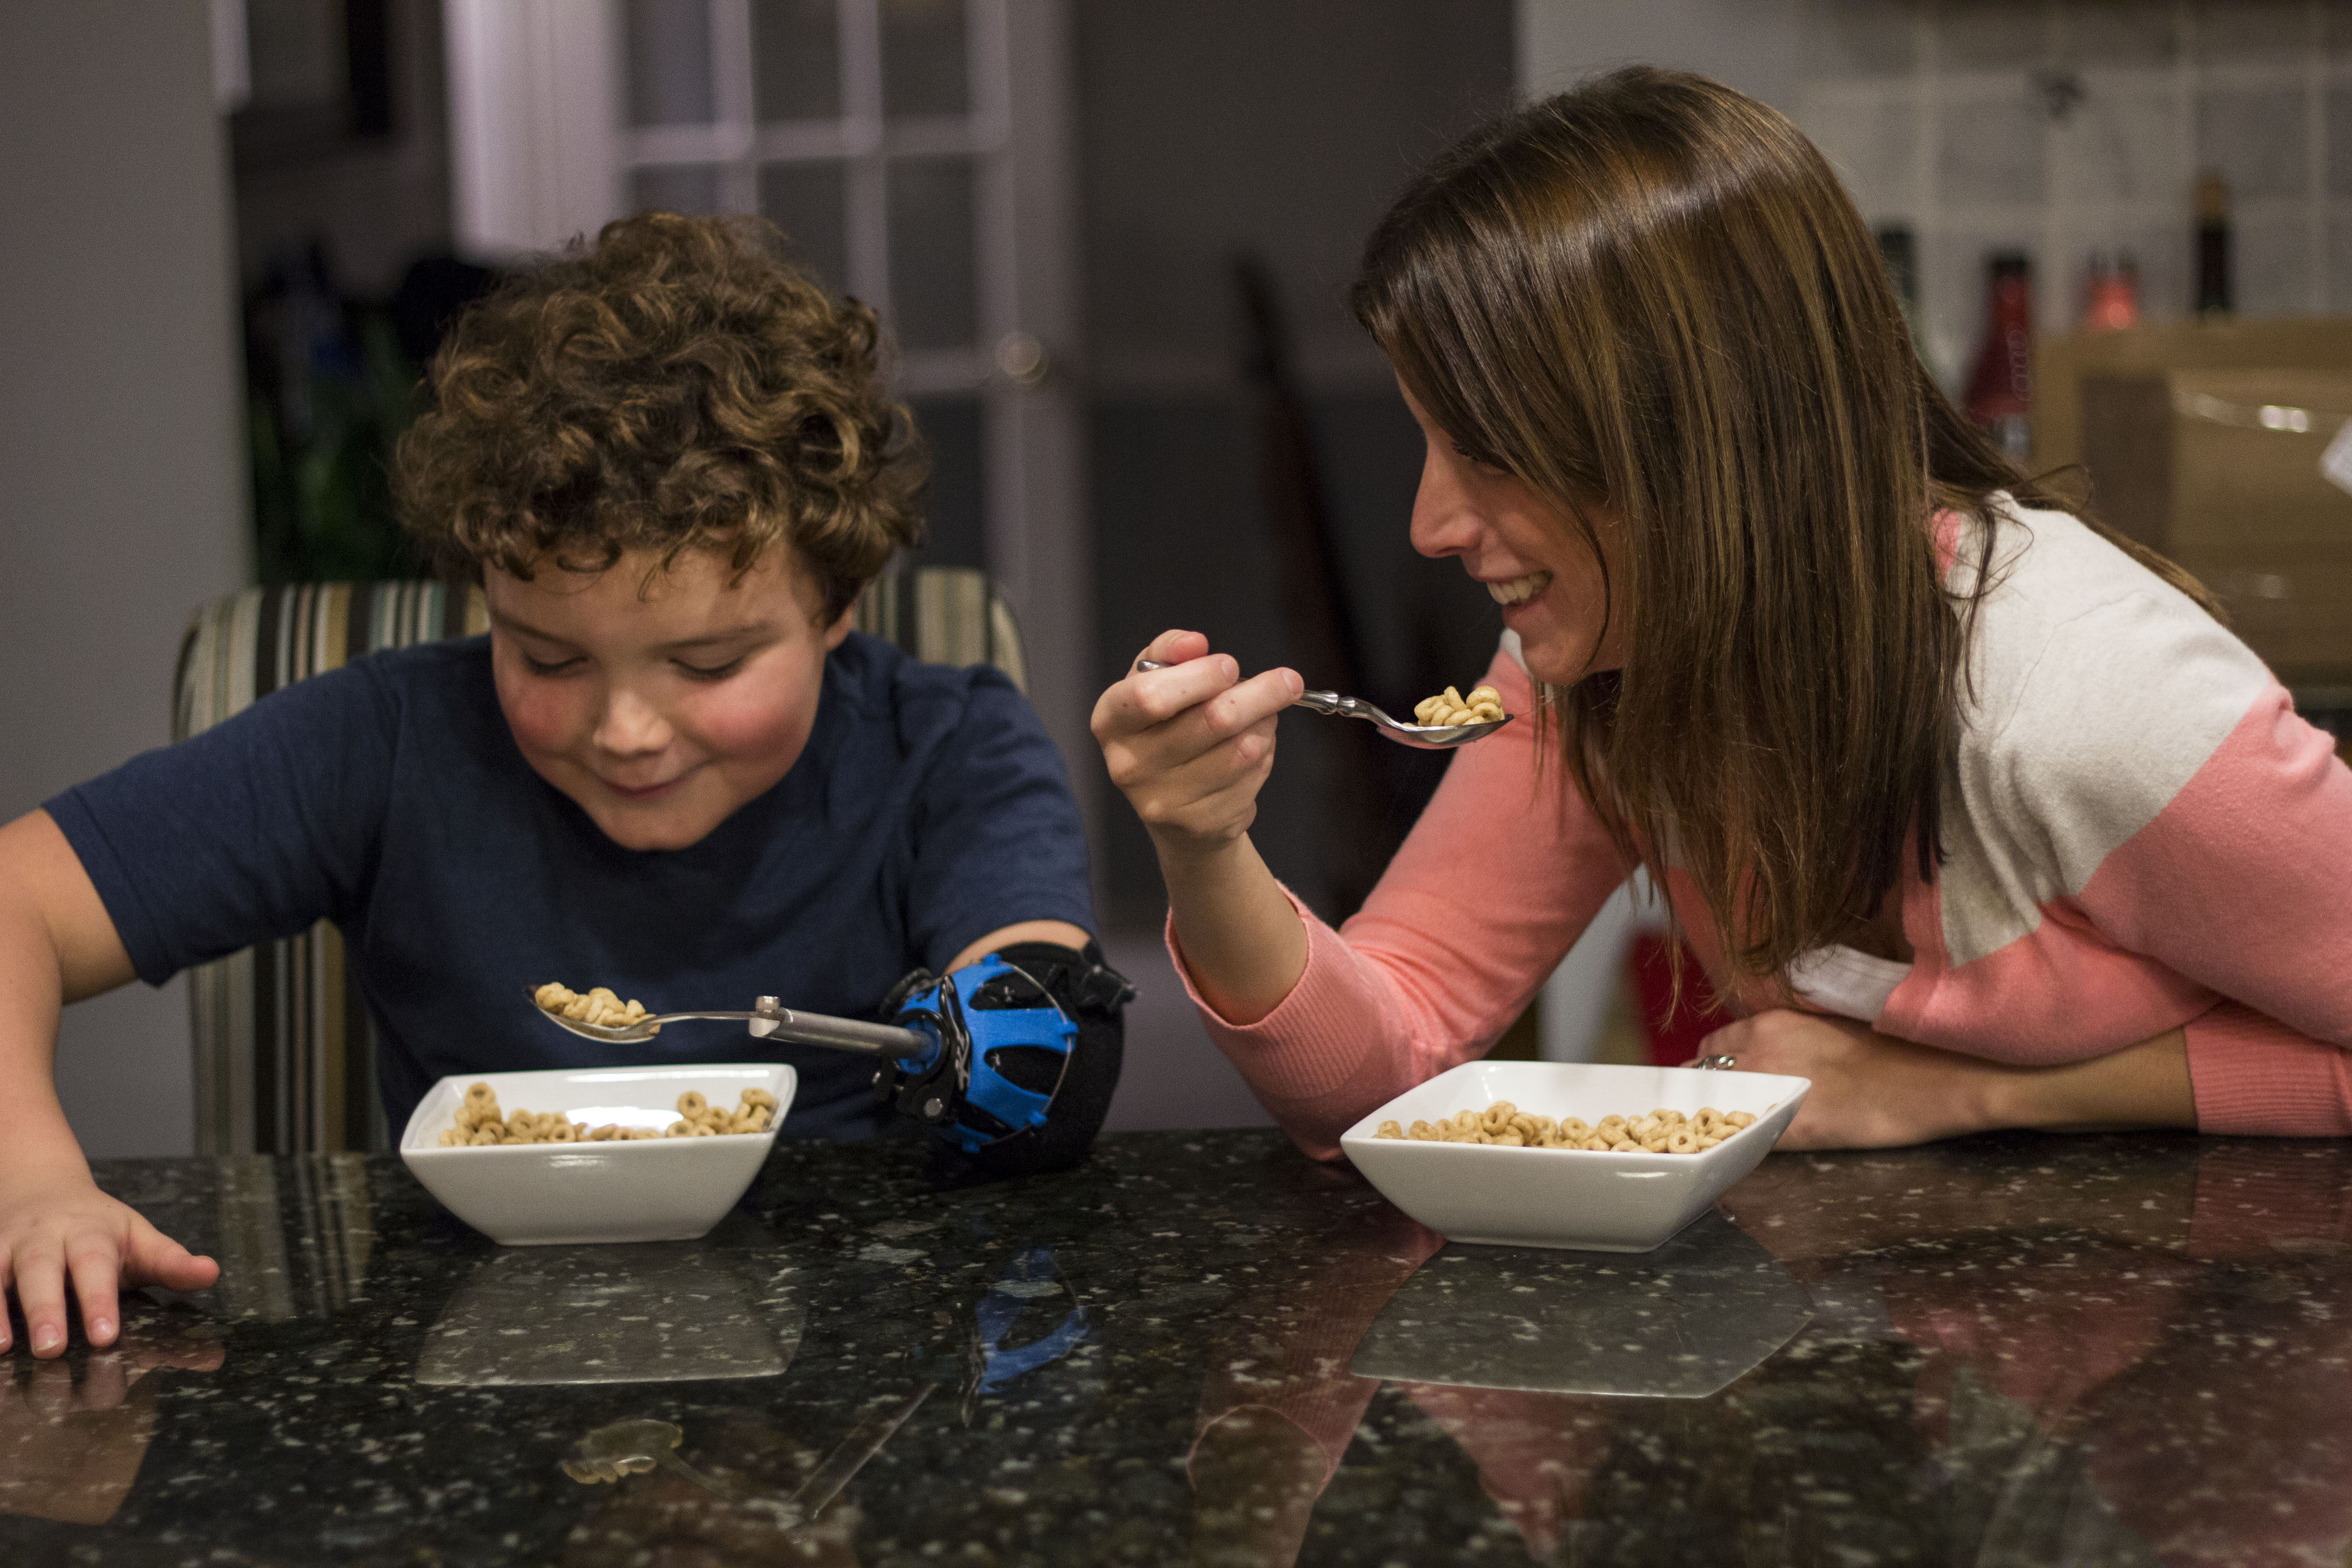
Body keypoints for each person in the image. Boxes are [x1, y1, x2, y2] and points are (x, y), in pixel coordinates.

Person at [1092, 68, 2352, 1164]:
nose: (1430, 524)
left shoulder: (2092, 703)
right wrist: (1208, 848)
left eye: (1487, 450)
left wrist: (1963, 1092)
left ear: (1697, 443)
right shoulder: (1606, 664)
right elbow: (1377, 1076)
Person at [0, 213, 1112, 1361]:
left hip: (862, 1368)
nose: (626, 732)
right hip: (461, 1358)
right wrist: (30, 1179)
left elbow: (1050, 1048)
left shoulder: (947, 749)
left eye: (708, 665)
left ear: (840, 604)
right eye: (547, 658)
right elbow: (15, 900)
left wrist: (1020, 1031)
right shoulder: (383, 744)